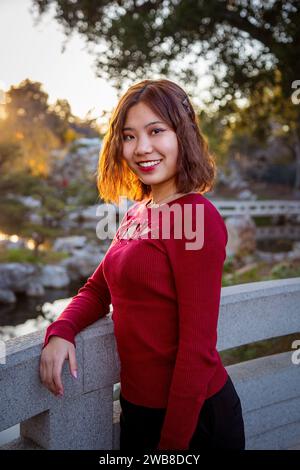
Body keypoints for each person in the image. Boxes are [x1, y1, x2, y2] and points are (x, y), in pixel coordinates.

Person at [39, 79, 245, 451]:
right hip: (137, 410)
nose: (142, 148)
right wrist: (61, 330)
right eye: (129, 136)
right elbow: (98, 289)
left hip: (192, 419)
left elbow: (196, 351)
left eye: (156, 131)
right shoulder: (139, 212)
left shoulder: (197, 218)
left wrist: (171, 446)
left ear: (183, 134)